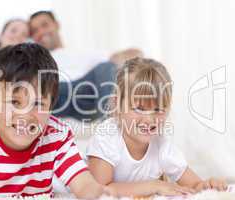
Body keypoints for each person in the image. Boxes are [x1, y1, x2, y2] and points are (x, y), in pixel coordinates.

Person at [0, 43, 108, 199]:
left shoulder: (57, 136)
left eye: (38, 103)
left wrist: (97, 195)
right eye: (14, 102)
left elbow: (84, 184)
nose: (26, 115)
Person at [86, 57, 227, 198]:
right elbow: (99, 190)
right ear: (117, 105)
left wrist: (208, 186)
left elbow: (194, 186)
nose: (149, 119)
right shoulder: (107, 137)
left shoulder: (162, 145)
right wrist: (154, 185)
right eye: (139, 108)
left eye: (158, 109)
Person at [29, 11, 143, 120]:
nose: (41, 32)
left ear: (57, 25)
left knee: (107, 67)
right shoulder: (33, 58)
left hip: (87, 95)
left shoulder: (82, 52)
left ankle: (110, 123)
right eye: (35, 31)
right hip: (55, 95)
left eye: (44, 25)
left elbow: (132, 54)